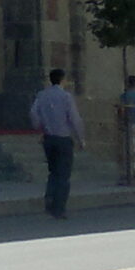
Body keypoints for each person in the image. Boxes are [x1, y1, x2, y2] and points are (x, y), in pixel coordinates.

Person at [30, 68, 86, 220]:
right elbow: (74, 118)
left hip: (49, 137)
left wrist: (39, 126)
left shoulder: (42, 95)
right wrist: (81, 138)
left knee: (53, 171)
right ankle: (59, 207)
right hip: (63, 138)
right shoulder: (66, 97)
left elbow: (34, 113)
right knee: (63, 175)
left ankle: (49, 198)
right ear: (62, 80)